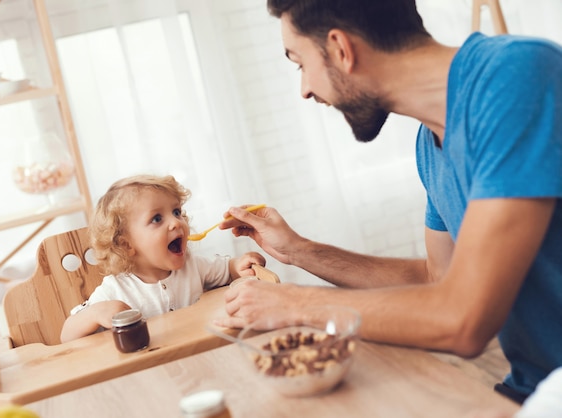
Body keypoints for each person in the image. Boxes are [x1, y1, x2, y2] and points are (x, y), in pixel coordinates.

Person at [214, 0, 562, 404]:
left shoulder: (518, 78)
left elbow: (463, 319)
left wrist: (294, 304)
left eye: (300, 63)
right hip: (533, 390)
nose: (305, 89)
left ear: (341, 49)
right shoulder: (428, 143)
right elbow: (439, 281)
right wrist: (299, 251)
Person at [61, 174, 265, 343]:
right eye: (157, 218)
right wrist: (96, 312)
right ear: (127, 245)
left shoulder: (193, 266)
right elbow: (66, 335)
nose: (176, 223)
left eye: (177, 212)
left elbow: (227, 269)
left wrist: (239, 265)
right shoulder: (116, 289)